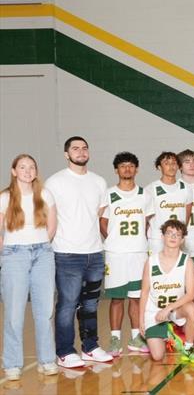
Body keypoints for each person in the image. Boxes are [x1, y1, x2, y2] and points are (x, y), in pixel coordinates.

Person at [45, 136, 113, 368]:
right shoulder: (55, 182)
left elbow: (99, 213)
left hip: (94, 254)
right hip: (66, 254)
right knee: (68, 304)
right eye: (75, 148)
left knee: (91, 304)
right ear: (67, 154)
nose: (81, 152)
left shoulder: (99, 181)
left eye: (84, 148)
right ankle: (65, 352)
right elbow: (47, 216)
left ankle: (90, 347)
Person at [0, 154, 58, 379]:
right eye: (22, 167)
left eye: (31, 167)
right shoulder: (5, 197)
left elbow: (51, 227)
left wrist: (41, 245)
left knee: (45, 311)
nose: (27, 171)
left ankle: (47, 360)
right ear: (14, 171)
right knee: (14, 313)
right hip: (14, 255)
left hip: (43, 254)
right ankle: (12, 364)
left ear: (36, 171)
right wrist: (7, 251)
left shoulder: (45, 194)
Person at [100, 152, 154, 356]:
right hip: (116, 254)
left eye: (131, 165)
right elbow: (103, 222)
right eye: (123, 166)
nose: (127, 169)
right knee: (116, 298)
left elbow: (148, 222)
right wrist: (113, 240)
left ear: (136, 169)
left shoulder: (144, 194)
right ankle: (115, 339)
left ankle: (136, 338)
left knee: (136, 298)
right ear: (116, 170)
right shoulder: (108, 194)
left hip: (138, 253)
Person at [139, 220, 194, 363]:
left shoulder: (187, 261)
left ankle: (188, 348)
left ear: (182, 240)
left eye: (177, 234)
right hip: (155, 311)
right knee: (157, 356)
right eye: (169, 233)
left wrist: (168, 309)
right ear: (162, 237)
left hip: (175, 309)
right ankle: (169, 332)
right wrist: (141, 319)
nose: (173, 237)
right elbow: (144, 293)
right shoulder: (151, 261)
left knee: (192, 309)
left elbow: (191, 294)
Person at [145, 152, 192, 254]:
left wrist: (180, 233)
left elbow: (187, 216)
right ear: (159, 167)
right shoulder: (150, 189)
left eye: (174, 163)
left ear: (178, 166)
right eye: (166, 163)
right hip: (157, 239)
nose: (171, 166)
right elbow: (145, 219)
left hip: (178, 238)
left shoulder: (186, 188)